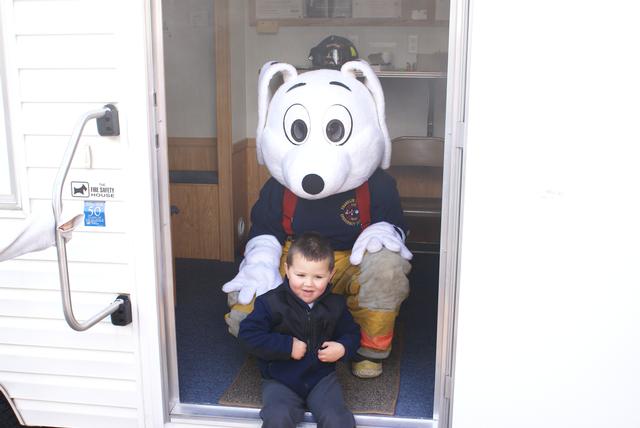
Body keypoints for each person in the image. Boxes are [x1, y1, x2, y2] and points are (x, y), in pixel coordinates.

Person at [238, 232, 360, 428]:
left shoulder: (336, 305)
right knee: (278, 417)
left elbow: (353, 333)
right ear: (287, 269)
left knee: (338, 420)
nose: (308, 284)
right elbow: (248, 335)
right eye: (300, 275)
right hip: (280, 378)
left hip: (322, 379)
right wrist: (287, 346)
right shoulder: (270, 302)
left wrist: (343, 347)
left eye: (318, 277)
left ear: (331, 275)